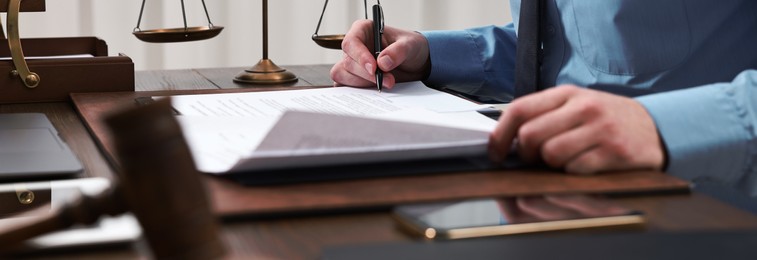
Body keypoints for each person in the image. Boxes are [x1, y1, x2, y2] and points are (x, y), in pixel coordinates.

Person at [330, 1, 757, 197]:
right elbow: (569, 50)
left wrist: (662, 127)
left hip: (704, 211)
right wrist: (430, 56)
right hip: (554, 205)